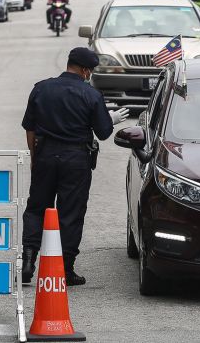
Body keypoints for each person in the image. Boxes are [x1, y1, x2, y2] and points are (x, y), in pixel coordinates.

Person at [20, 47, 130, 285]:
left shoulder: (41, 88)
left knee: (37, 208)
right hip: (75, 159)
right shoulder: (91, 95)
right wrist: (109, 119)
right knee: (70, 214)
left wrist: (34, 157)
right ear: (85, 70)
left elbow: (30, 127)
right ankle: (66, 269)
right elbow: (102, 133)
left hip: (45, 155)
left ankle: (28, 259)